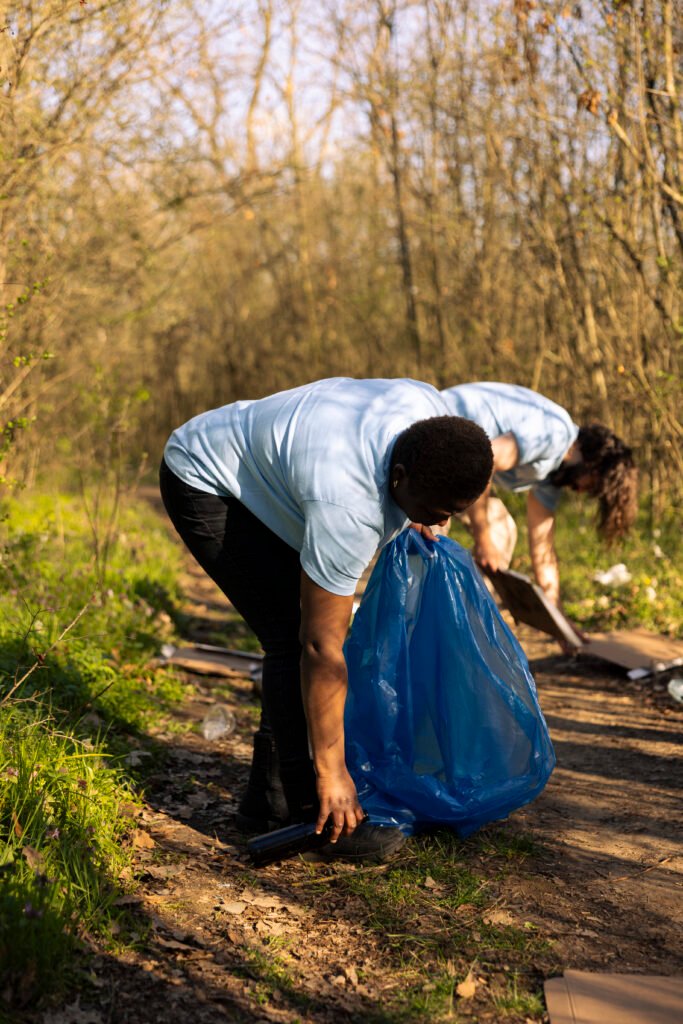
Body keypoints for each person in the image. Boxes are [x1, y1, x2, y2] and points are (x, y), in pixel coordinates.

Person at [160, 377, 493, 862]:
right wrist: (333, 772)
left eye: (452, 514)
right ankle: (309, 809)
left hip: (278, 471)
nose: (440, 523)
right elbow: (321, 648)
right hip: (206, 478)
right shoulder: (348, 507)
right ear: (398, 476)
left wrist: (429, 512)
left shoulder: (429, 411)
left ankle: (265, 798)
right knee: (290, 636)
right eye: (432, 510)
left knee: (294, 628)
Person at [440, 382, 638, 608]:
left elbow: (543, 550)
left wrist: (559, 623)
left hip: (463, 460)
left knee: (499, 533)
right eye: (592, 485)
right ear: (594, 464)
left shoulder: (552, 475)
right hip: (439, 437)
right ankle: (414, 619)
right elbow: (485, 459)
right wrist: (482, 539)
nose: (583, 492)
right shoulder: (554, 434)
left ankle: (461, 615)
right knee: (429, 533)